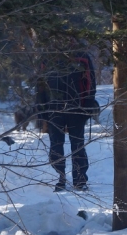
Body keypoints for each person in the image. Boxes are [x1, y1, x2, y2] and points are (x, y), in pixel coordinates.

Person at [36, 50, 98, 192]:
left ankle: (80, 180)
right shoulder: (47, 56)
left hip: (76, 108)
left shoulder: (81, 56)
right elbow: (40, 84)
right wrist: (41, 106)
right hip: (53, 108)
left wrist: (88, 103)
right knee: (56, 144)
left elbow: (91, 81)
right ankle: (59, 177)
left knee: (78, 144)